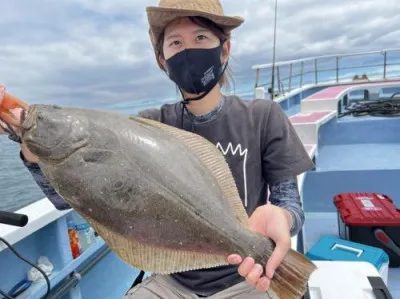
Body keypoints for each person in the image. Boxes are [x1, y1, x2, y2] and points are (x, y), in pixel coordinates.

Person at [0, 0, 314, 298]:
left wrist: (283, 218)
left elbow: (290, 204)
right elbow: (66, 197)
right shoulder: (148, 125)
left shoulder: (263, 117)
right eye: (175, 43)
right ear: (162, 59)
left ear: (224, 49)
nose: (188, 50)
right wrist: (31, 144)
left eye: (201, 37)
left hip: (249, 276)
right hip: (172, 285)